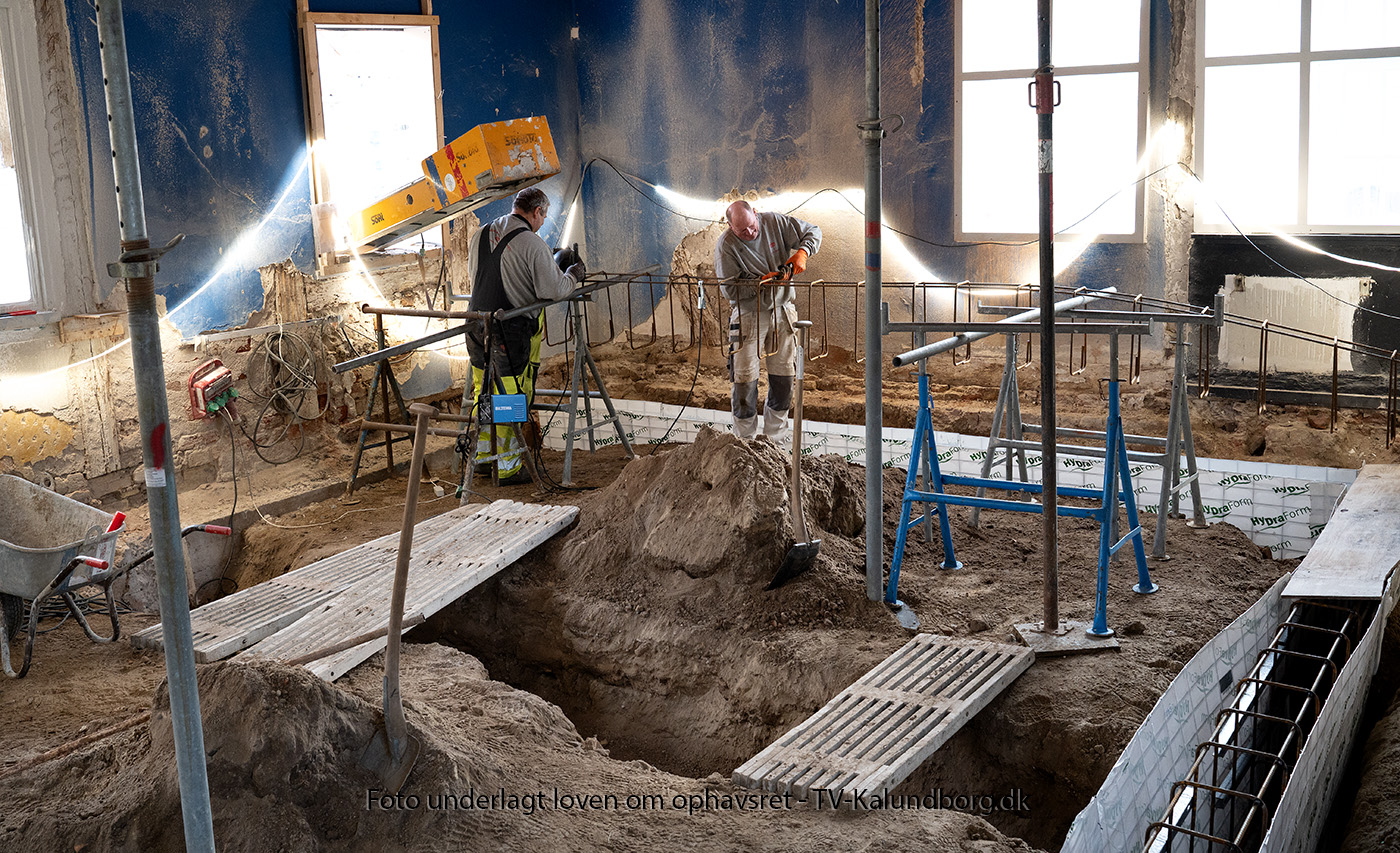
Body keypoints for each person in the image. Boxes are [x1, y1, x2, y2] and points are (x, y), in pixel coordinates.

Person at [464, 186, 584, 483]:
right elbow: (553, 290)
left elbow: (476, 276)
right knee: (511, 395)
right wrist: (573, 275)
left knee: (484, 391)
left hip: (475, 325)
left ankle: (483, 457)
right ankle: (507, 466)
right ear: (537, 212)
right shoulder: (532, 243)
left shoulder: (481, 234)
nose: (542, 222)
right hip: (508, 329)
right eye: (543, 216)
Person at [713, 199, 821, 442]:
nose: (750, 233)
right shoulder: (726, 246)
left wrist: (803, 252)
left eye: (752, 226)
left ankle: (775, 440)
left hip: (782, 308)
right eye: (742, 231)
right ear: (730, 227)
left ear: (755, 212)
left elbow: (814, 231)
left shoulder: (775, 222)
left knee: (784, 377)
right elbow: (729, 289)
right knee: (744, 378)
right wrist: (761, 282)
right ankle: (744, 441)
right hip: (749, 313)